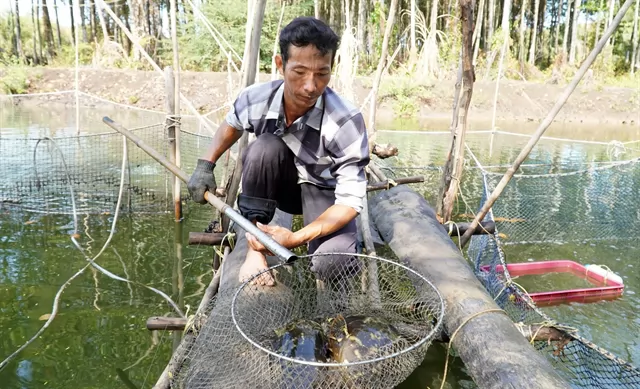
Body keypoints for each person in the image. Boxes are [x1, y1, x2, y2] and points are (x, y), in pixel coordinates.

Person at [187, 16, 370, 287]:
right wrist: (206, 164)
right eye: (299, 72)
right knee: (263, 147)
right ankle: (255, 250)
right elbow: (231, 125)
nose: (311, 86)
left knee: (334, 265)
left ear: (332, 67)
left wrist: (295, 238)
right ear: (280, 65)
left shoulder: (345, 120)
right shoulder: (255, 98)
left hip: (322, 188)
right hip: (278, 184)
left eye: (322, 74)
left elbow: (350, 202)